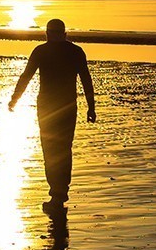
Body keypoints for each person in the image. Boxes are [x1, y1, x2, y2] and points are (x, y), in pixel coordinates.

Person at [8, 18, 96, 212]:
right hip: (67, 107)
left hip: (48, 108)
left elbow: (26, 77)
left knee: (51, 150)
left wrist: (15, 99)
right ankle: (59, 193)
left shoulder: (41, 51)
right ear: (64, 34)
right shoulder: (75, 52)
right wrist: (91, 107)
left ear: (47, 34)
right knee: (64, 149)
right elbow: (86, 80)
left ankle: (57, 194)